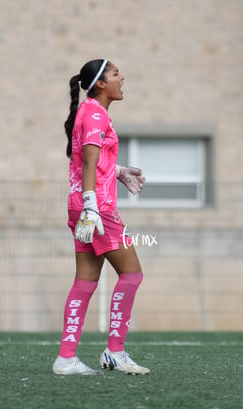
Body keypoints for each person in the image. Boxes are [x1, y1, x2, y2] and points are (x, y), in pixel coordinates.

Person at [52, 59, 150, 376]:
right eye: (115, 73)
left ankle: (66, 358)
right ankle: (115, 352)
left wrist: (118, 172)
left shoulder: (89, 112)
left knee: (85, 281)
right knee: (132, 275)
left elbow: (88, 161)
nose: (122, 76)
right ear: (100, 84)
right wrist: (93, 207)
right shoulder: (95, 114)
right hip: (98, 209)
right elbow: (89, 166)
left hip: (81, 204)